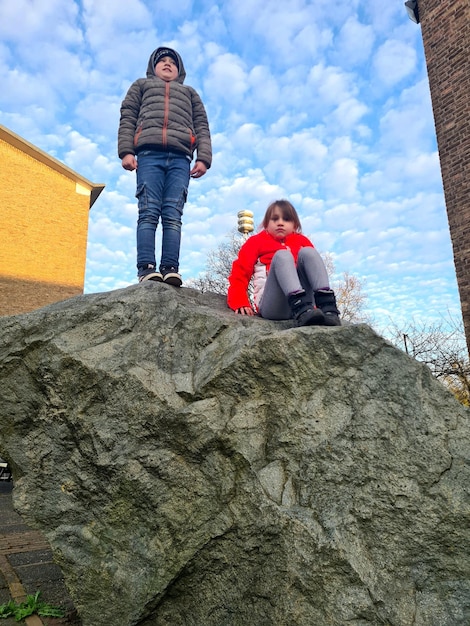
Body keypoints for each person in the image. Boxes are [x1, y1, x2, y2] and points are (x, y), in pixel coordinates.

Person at [118, 46, 212, 286]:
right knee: (148, 211)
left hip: (181, 158)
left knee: (173, 215)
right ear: (153, 67)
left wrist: (203, 157)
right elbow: (128, 116)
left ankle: (170, 267)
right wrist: (126, 151)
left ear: (180, 70)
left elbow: (202, 125)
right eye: (162, 61)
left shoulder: (190, 93)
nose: (168, 64)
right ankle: (146, 267)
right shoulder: (141, 86)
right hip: (148, 155)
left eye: (173, 62)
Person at [227, 200, 341, 326]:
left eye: (286, 219)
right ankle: (299, 306)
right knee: (282, 256)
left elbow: (314, 271)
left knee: (309, 252)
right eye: (274, 219)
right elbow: (240, 272)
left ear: (295, 225)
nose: (280, 223)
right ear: (266, 223)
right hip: (273, 306)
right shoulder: (256, 242)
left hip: (307, 306)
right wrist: (239, 300)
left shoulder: (302, 241)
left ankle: (328, 308)